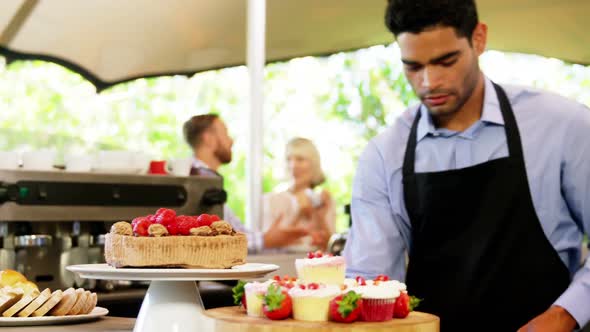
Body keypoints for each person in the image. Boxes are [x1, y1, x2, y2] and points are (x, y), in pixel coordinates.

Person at [343, 1, 590, 331]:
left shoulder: (562, 126)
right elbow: (371, 282)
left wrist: (563, 315)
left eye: (446, 62)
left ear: (479, 39)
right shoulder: (384, 155)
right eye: (413, 67)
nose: (429, 82)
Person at [183, 114, 309, 253]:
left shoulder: (206, 181)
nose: (231, 141)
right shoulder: (196, 183)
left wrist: (269, 238)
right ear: (209, 139)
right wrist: (266, 240)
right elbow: (220, 240)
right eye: (225, 134)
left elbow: (234, 232)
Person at [262, 138, 336, 252]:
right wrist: (299, 214)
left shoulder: (323, 200)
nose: (293, 165)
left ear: (314, 164)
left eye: (300, 159)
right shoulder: (271, 199)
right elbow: (270, 245)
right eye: (288, 159)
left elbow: (330, 248)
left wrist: (316, 215)